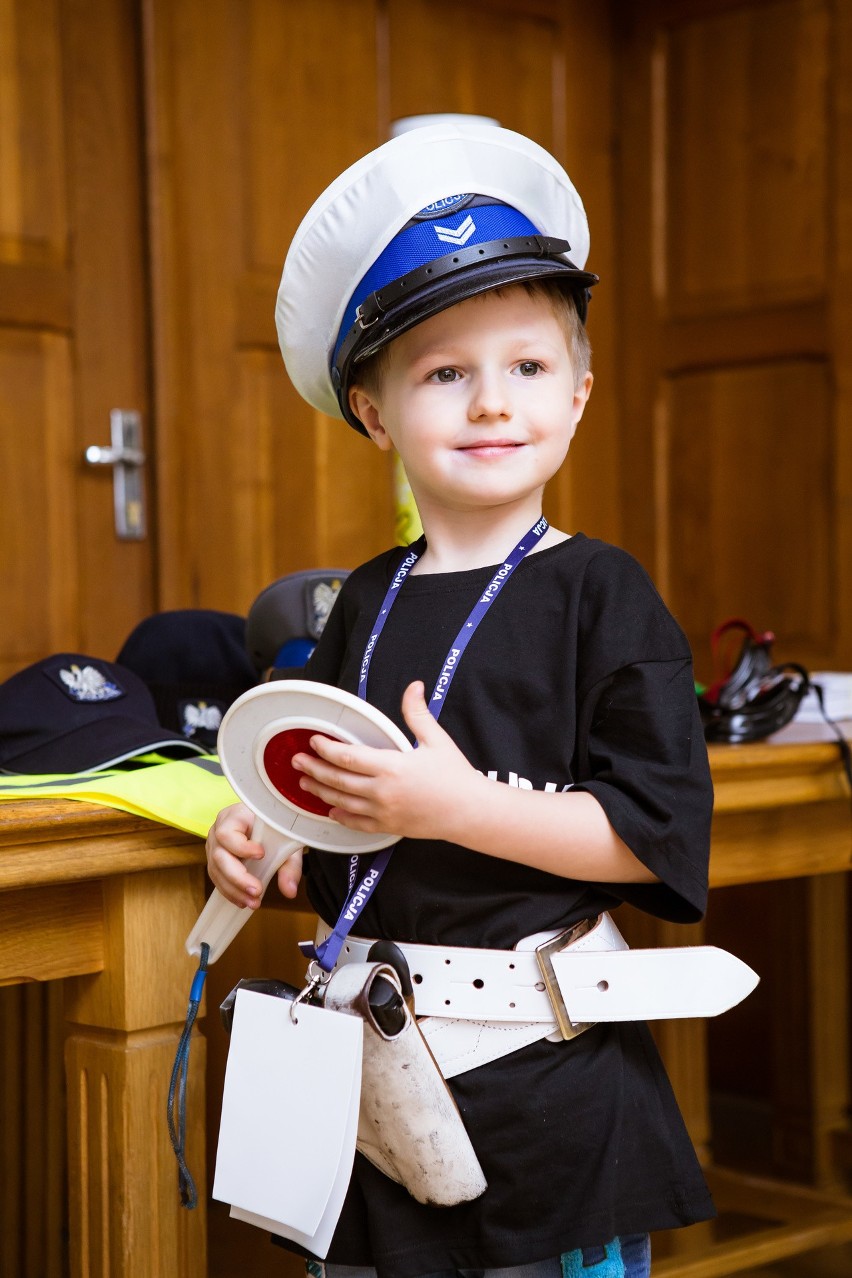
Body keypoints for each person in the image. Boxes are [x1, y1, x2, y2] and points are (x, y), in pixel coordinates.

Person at [206, 120, 715, 1278]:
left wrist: (457, 804)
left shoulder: (602, 593)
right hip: (371, 1088)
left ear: (578, 396)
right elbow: (328, 797)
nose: (492, 403)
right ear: (376, 415)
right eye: (445, 373)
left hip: (545, 1094)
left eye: (528, 368)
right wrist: (268, 834)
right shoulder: (364, 601)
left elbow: (654, 837)